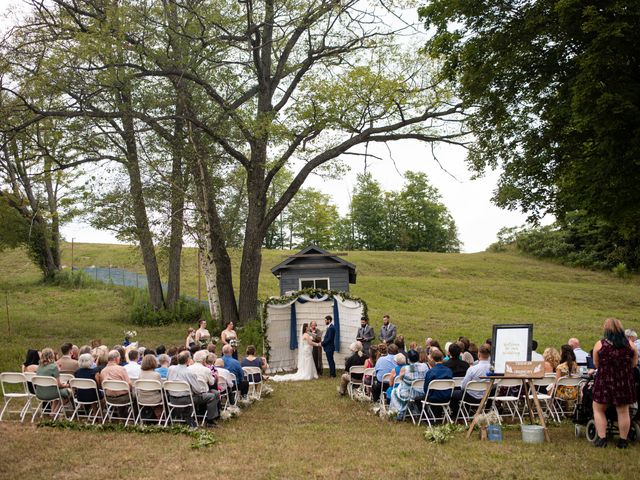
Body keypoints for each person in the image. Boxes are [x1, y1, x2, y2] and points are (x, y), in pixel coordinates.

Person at [592, 318, 638, 448]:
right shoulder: (630, 345)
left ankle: (602, 438)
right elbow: (634, 364)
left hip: (605, 381)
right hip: (623, 381)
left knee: (598, 409)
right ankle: (623, 441)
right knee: (623, 411)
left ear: (606, 330)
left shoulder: (600, 344)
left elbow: (596, 364)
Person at [167, 351, 220, 428]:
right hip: (187, 399)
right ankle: (210, 421)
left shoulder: (170, 369)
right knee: (212, 396)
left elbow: (167, 381)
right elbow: (198, 390)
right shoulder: (189, 372)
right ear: (188, 360)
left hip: (171, 399)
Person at [450, 344, 492, 415]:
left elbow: (463, 386)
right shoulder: (493, 369)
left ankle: (457, 415)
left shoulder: (472, 369)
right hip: (487, 396)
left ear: (478, 354)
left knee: (452, 394)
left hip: (471, 397)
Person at [389, 349, 429, 419]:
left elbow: (400, 379)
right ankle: (411, 410)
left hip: (409, 393)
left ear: (408, 359)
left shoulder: (405, 368)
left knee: (394, 391)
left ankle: (398, 412)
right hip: (422, 392)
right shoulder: (425, 366)